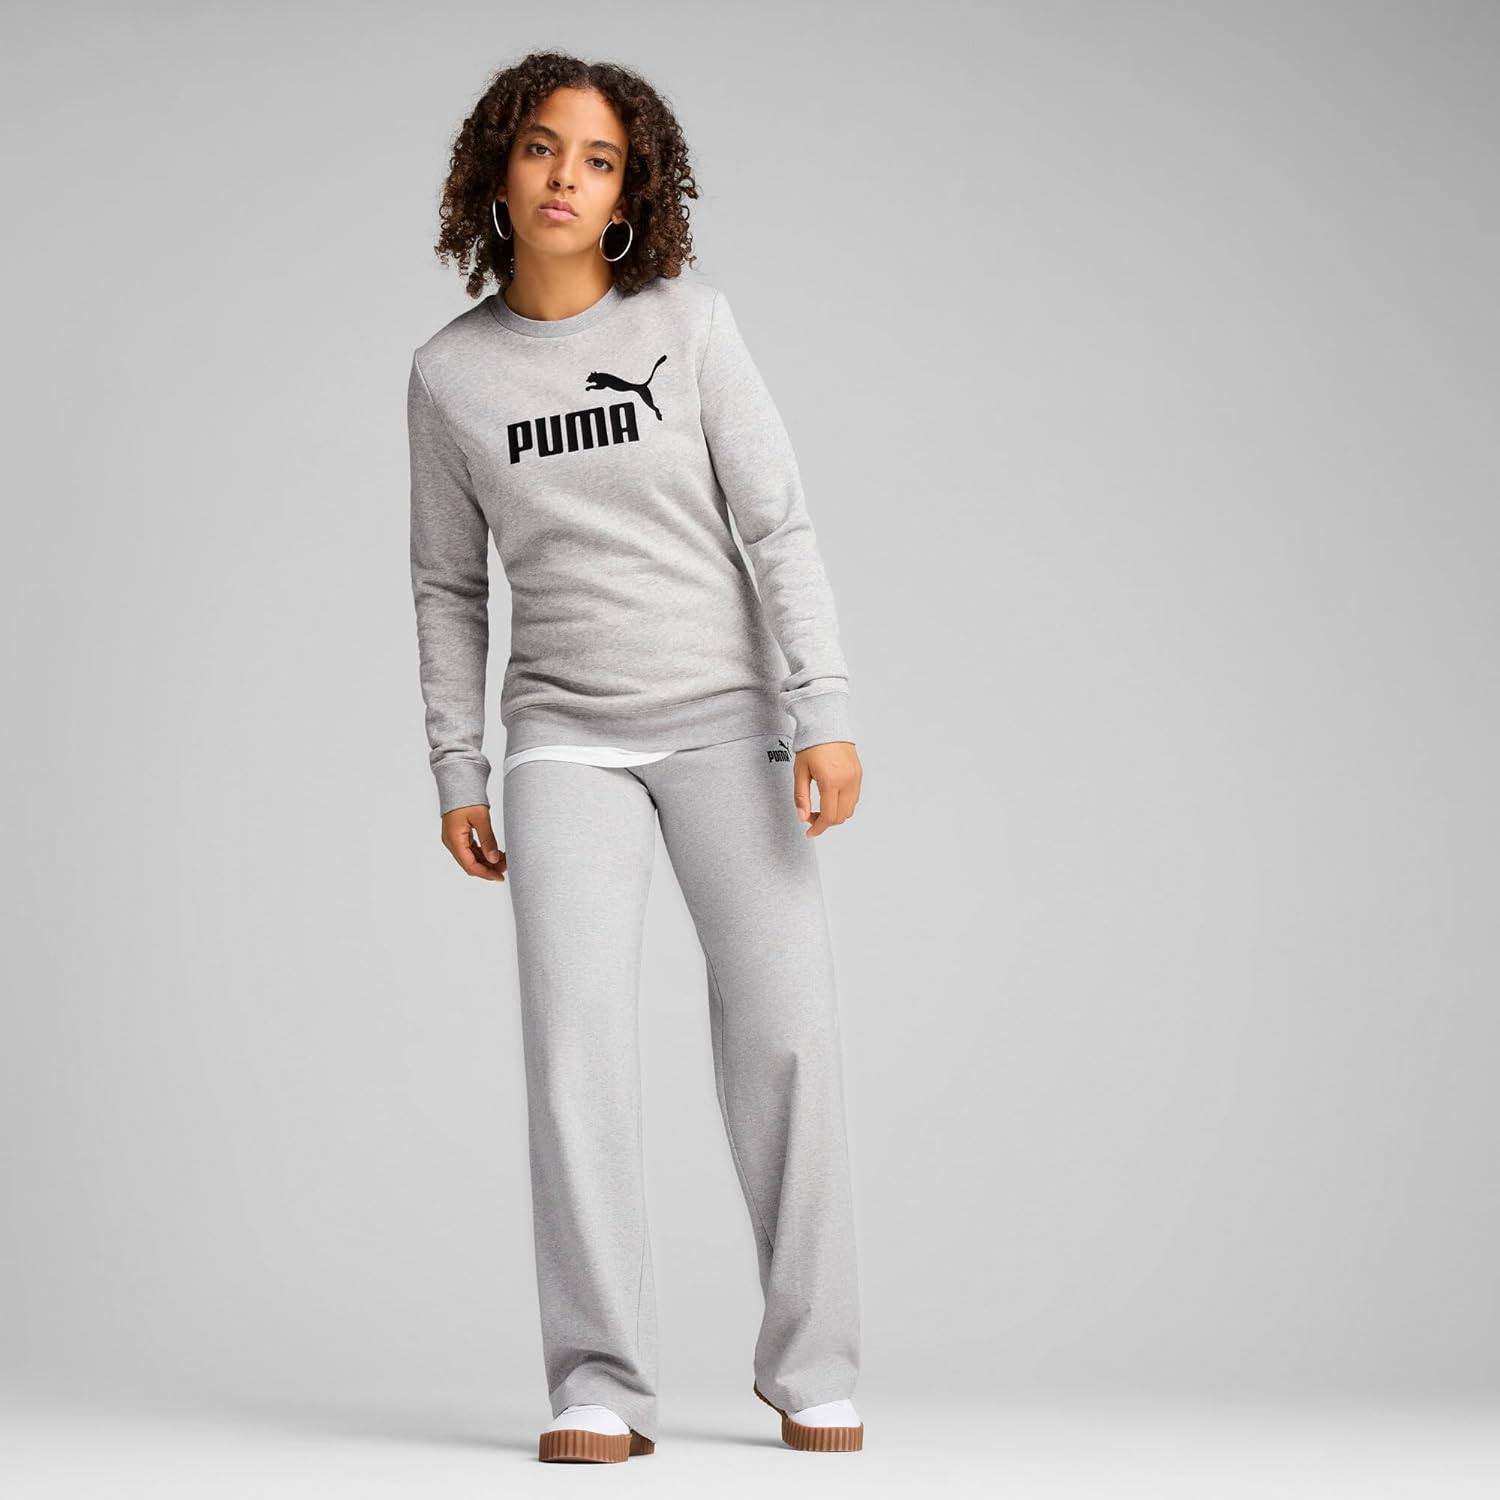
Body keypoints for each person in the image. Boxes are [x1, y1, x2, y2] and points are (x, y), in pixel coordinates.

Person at [407, 51, 865, 1463]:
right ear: (497, 169)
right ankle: (599, 1381)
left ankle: (812, 1365)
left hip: (727, 717)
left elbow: (775, 522)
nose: (566, 176)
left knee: (786, 1034)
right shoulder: (449, 375)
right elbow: (447, 587)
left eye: (598, 158)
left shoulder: (691, 325)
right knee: (576, 1054)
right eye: (542, 147)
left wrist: (826, 708)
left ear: (630, 192)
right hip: (564, 742)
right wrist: (459, 767)